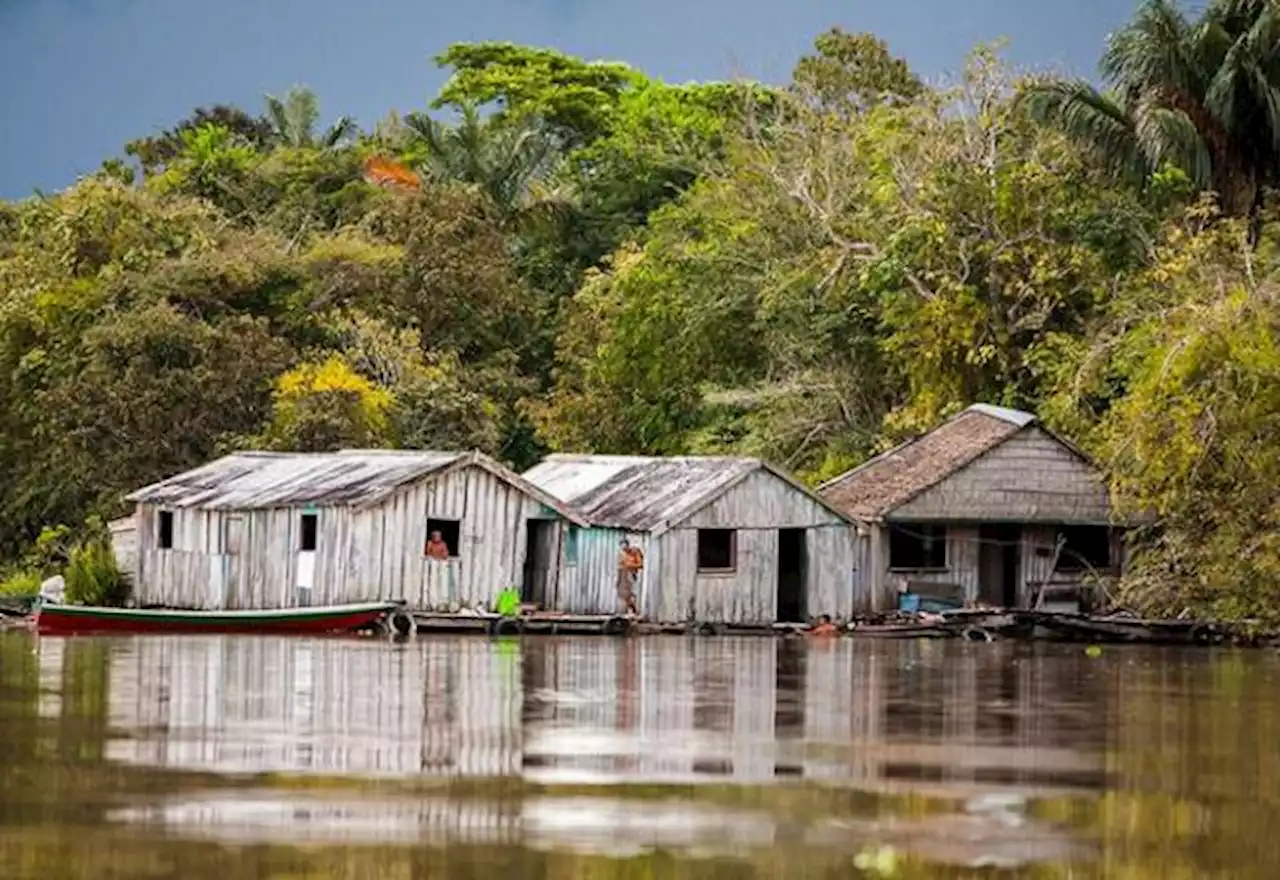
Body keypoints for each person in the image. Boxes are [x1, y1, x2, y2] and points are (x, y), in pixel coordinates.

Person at [616, 538, 643, 616]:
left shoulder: (635, 552)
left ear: (628, 545)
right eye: (622, 548)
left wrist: (629, 565)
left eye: (625, 547)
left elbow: (640, 564)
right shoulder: (622, 555)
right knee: (624, 594)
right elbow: (620, 565)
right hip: (624, 575)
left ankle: (634, 611)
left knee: (632, 594)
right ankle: (628, 611)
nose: (623, 549)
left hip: (632, 575)